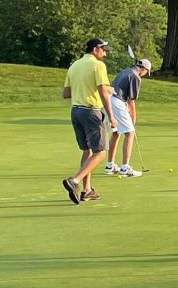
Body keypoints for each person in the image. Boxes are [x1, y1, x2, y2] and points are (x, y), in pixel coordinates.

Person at [61, 38, 117, 204]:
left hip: (76, 111)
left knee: (87, 151)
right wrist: (111, 116)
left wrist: (83, 88)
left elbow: (65, 93)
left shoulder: (74, 65)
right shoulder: (98, 66)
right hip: (91, 112)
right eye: (104, 50)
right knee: (101, 152)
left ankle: (87, 190)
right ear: (95, 49)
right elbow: (102, 91)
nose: (105, 54)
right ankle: (75, 181)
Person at [104, 58, 152, 177]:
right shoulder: (136, 77)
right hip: (117, 102)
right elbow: (131, 100)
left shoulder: (126, 70)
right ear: (144, 69)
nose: (145, 74)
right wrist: (133, 117)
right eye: (147, 72)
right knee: (130, 133)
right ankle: (125, 168)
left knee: (116, 132)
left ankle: (110, 166)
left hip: (109, 100)